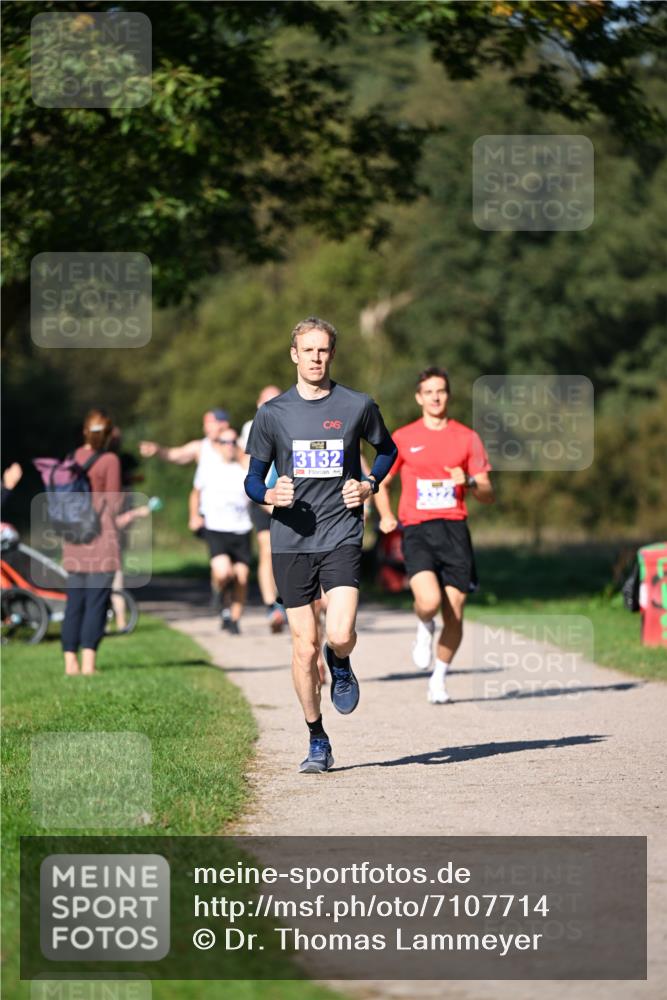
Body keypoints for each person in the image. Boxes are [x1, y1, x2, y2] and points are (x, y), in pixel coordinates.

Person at [244, 316, 397, 774]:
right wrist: (269, 494)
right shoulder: (272, 413)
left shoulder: (357, 405)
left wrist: (369, 484)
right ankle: (316, 738)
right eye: (307, 350)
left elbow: (387, 450)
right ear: (294, 354)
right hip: (290, 539)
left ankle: (342, 659)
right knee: (303, 646)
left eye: (323, 350)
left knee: (338, 633)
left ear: (332, 354)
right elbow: (252, 479)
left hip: (342, 531)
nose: (315, 358)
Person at [374, 366, 494, 704]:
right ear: (419, 397)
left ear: (448, 395)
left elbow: (487, 491)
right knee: (428, 601)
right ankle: (424, 626)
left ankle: (439, 678)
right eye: (429, 392)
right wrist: (385, 515)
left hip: (454, 529)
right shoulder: (403, 437)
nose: (435, 397)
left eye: (440, 391)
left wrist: (468, 482)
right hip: (416, 530)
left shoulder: (466, 437)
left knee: (454, 611)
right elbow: (380, 483)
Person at [61, 410, 122, 676]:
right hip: (101, 539)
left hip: (74, 541)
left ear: (85, 432)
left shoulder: (71, 458)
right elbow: (115, 503)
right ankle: (88, 665)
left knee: (74, 602)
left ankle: (69, 664)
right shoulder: (109, 460)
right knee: (96, 602)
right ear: (107, 435)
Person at [190, 426, 252, 633]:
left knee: (242, 576)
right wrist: (194, 515)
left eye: (233, 442)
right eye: (224, 442)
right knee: (223, 572)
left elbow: (258, 494)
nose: (229, 446)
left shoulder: (245, 468)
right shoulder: (208, 467)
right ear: (218, 445)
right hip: (216, 527)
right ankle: (219, 595)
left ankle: (234, 618)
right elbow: (195, 494)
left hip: (241, 528)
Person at [239, 385, 289, 633]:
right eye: (266, 400)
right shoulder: (251, 427)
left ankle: (292, 601)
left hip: (289, 494)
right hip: (262, 496)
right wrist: (264, 493)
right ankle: (272, 605)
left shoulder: (293, 419)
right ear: (258, 403)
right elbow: (242, 460)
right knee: (267, 548)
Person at [139, 408, 230, 465]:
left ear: (224, 424)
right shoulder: (200, 447)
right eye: (205, 423)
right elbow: (174, 455)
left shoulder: (240, 446)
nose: (206, 427)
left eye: (210, 422)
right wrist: (158, 450)